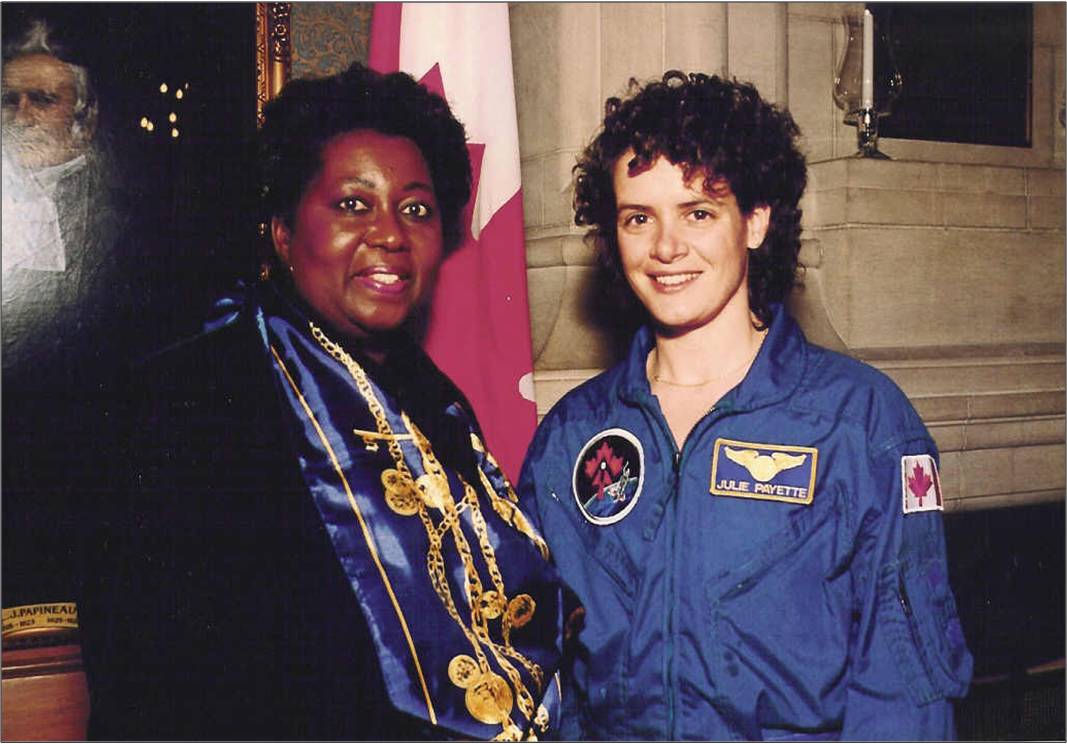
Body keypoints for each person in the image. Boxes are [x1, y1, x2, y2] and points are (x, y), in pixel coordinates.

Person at [79, 62, 563, 740]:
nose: (390, 233)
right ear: (281, 231)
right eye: (352, 204)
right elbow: (154, 688)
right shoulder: (181, 403)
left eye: (416, 208)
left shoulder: (438, 405)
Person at [518, 71, 973, 740]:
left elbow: (903, 692)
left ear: (755, 221)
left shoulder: (859, 423)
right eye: (638, 218)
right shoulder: (572, 435)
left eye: (698, 212)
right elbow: (541, 678)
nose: (665, 248)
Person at [1, 18, 130, 629]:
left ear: (84, 118)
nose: (21, 115)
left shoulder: (131, 219)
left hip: (96, 478)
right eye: (9, 99)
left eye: (42, 99)